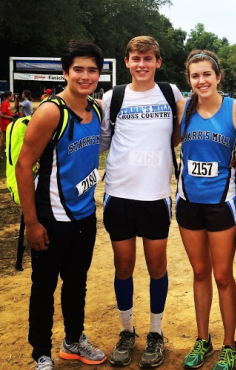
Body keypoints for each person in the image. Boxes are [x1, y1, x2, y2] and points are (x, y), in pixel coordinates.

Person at [15, 40, 107, 370]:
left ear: (99, 74)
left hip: (84, 215)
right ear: (65, 72)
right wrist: (33, 222)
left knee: (76, 282)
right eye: (78, 69)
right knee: (44, 287)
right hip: (51, 218)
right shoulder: (51, 112)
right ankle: (41, 352)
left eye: (92, 70)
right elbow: (23, 166)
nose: (85, 76)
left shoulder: (95, 109)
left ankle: (73, 340)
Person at [100, 35, 184, 368]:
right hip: (119, 194)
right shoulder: (112, 97)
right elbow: (103, 141)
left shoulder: (170, 92)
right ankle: (126, 331)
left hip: (155, 196)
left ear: (158, 62)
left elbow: (180, 133)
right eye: (136, 58)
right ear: (126, 61)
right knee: (123, 267)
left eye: (148, 59)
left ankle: (154, 333)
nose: (142, 64)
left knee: (157, 267)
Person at [176, 49, 236, 370]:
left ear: (218, 76)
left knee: (223, 276)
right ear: (189, 79)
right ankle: (202, 339)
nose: (201, 80)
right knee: (199, 273)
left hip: (222, 205)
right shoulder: (183, 108)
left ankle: (229, 344)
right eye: (195, 76)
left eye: (207, 74)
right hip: (188, 204)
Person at [0, 91, 15, 156]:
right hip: (4, 123)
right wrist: (10, 117)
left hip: (7, 123)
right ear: (9, 96)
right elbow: (1, 115)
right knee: (4, 139)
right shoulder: (4, 103)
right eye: (12, 96)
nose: (13, 97)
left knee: (5, 139)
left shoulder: (7, 103)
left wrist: (12, 115)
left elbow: (7, 113)